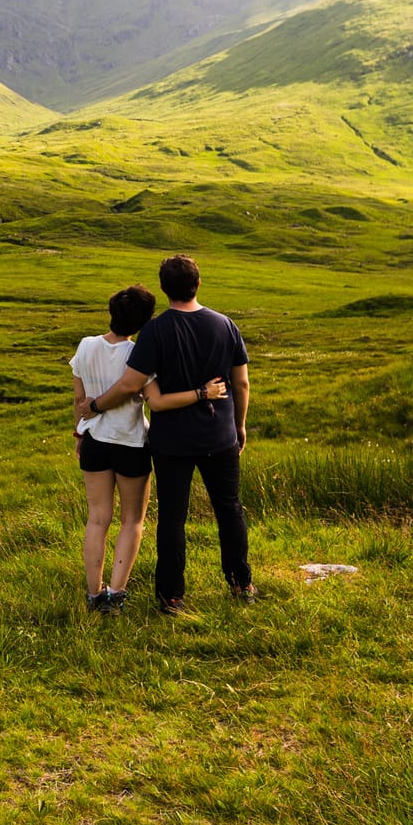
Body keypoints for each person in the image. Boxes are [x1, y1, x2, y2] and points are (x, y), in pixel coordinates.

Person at [77, 254, 252, 613]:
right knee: (229, 510)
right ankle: (241, 584)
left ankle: (171, 596)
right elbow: (242, 382)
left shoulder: (155, 331)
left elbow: (131, 384)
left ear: (164, 287)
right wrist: (239, 425)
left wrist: (92, 408)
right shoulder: (226, 324)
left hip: (171, 441)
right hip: (219, 435)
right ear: (198, 283)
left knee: (172, 517)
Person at [69, 284, 156, 613]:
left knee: (97, 519)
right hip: (131, 442)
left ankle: (93, 594)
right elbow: (149, 396)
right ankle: (115, 594)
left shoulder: (86, 345)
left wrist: (80, 435)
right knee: (132, 520)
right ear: (144, 321)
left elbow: (80, 402)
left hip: (94, 440)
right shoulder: (137, 354)